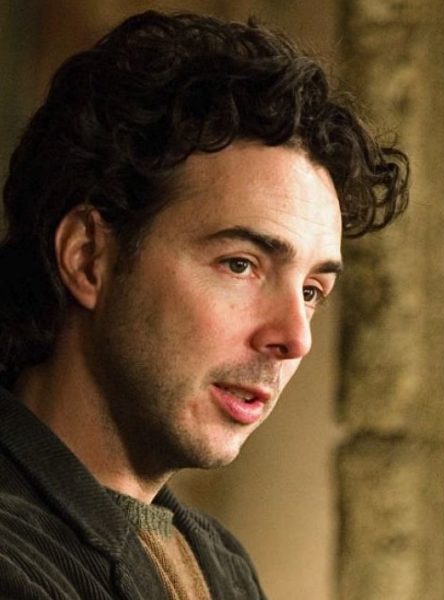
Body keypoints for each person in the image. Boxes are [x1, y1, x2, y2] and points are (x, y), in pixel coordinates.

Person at [0, 10, 408, 599]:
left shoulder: (219, 564)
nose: (296, 337)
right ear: (89, 258)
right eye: (241, 264)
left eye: (311, 291)